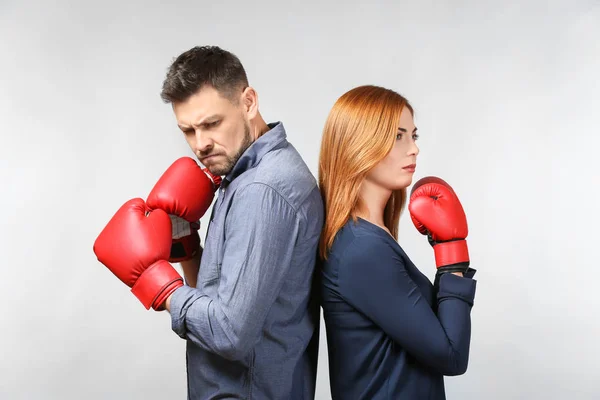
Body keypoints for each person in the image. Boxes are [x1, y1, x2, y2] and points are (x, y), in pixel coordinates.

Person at [94, 46, 324, 400]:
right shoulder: (246, 175)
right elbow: (223, 298)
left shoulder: (262, 190)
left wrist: (157, 284)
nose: (200, 144)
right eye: (188, 130)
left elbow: (230, 333)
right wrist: (187, 248)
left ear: (248, 102)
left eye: (211, 124)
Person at [317, 85, 477, 399]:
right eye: (397, 136)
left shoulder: (367, 236)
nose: (413, 148)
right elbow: (451, 354)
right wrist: (452, 252)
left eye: (413, 136)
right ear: (358, 145)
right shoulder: (362, 249)